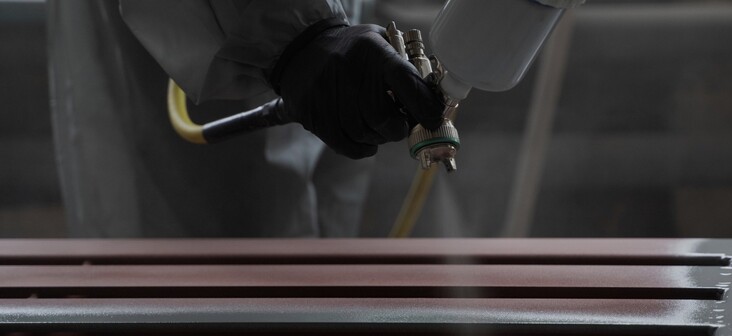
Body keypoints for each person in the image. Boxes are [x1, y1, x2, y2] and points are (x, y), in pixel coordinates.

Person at [48, 0, 444, 237]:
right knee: (194, 292)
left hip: (316, 31)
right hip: (213, 29)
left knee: (313, 287)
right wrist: (300, 33)